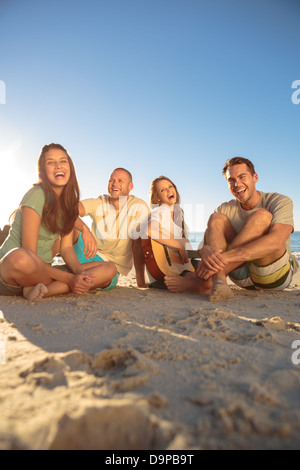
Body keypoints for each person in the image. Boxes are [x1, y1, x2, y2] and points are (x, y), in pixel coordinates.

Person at [0, 143, 117, 301]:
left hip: (44, 273)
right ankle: (43, 286)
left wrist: (79, 274)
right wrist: (69, 279)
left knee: (109, 268)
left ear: (70, 167)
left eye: (63, 161)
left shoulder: (68, 205)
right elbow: (30, 254)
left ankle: (42, 291)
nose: (58, 166)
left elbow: (66, 248)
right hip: (14, 272)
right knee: (21, 257)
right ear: (43, 171)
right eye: (50, 162)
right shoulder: (36, 195)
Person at [193, 156, 298, 301]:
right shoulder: (224, 208)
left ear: (255, 177)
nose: (237, 183)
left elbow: (276, 241)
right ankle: (219, 281)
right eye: (231, 180)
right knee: (216, 218)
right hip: (240, 276)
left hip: (271, 274)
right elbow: (206, 242)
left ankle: (207, 281)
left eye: (242, 177)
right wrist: (203, 250)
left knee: (262, 216)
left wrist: (222, 259)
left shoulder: (279, 201)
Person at [73, 168, 150, 287]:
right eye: (111, 180)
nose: (115, 184)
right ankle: (43, 263)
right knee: (66, 225)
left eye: (120, 181)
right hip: (87, 253)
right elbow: (68, 210)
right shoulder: (100, 202)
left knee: (85, 279)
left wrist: (141, 283)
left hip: (109, 269)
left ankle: (56, 273)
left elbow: (138, 246)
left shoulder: (138, 207)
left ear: (130, 186)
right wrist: (84, 229)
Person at [146, 176, 211, 293]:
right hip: (166, 268)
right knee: (207, 278)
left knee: (208, 270)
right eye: (162, 190)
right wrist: (179, 245)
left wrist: (184, 245)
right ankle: (192, 284)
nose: (169, 190)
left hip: (178, 266)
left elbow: (184, 243)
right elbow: (151, 231)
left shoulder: (178, 212)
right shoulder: (160, 210)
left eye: (170, 186)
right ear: (158, 198)